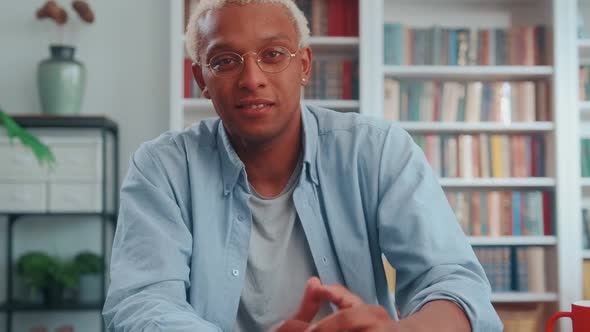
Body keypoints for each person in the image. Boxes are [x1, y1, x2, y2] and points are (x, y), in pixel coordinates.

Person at [102, 0, 503, 331]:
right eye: (225, 61)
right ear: (201, 78)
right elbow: (142, 303)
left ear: (305, 65)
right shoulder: (162, 168)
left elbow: (453, 280)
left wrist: (399, 330)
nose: (252, 78)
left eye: (273, 54)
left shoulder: (377, 150)